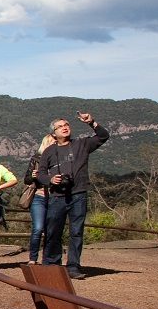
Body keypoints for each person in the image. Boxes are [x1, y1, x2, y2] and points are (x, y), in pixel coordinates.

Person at [39, 111, 110, 279]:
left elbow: (103, 136)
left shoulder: (81, 144)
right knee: (53, 231)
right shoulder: (48, 151)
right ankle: (51, 264)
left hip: (78, 194)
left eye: (66, 125)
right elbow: (40, 173)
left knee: (76, 231)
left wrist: (91, 122)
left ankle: (73, 266)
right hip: (57, 196)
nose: (64, 128)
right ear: (53, 133)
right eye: (60, 127)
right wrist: (51, 179)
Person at [22, 132, 52, 264]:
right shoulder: (36, 159)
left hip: (54, 198)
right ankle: (33, 258)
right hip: (38, 197)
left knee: (51, 230)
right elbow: (26, 180)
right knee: (38, 228)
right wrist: (33, 176)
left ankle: (47, 258)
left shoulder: (60, 160)